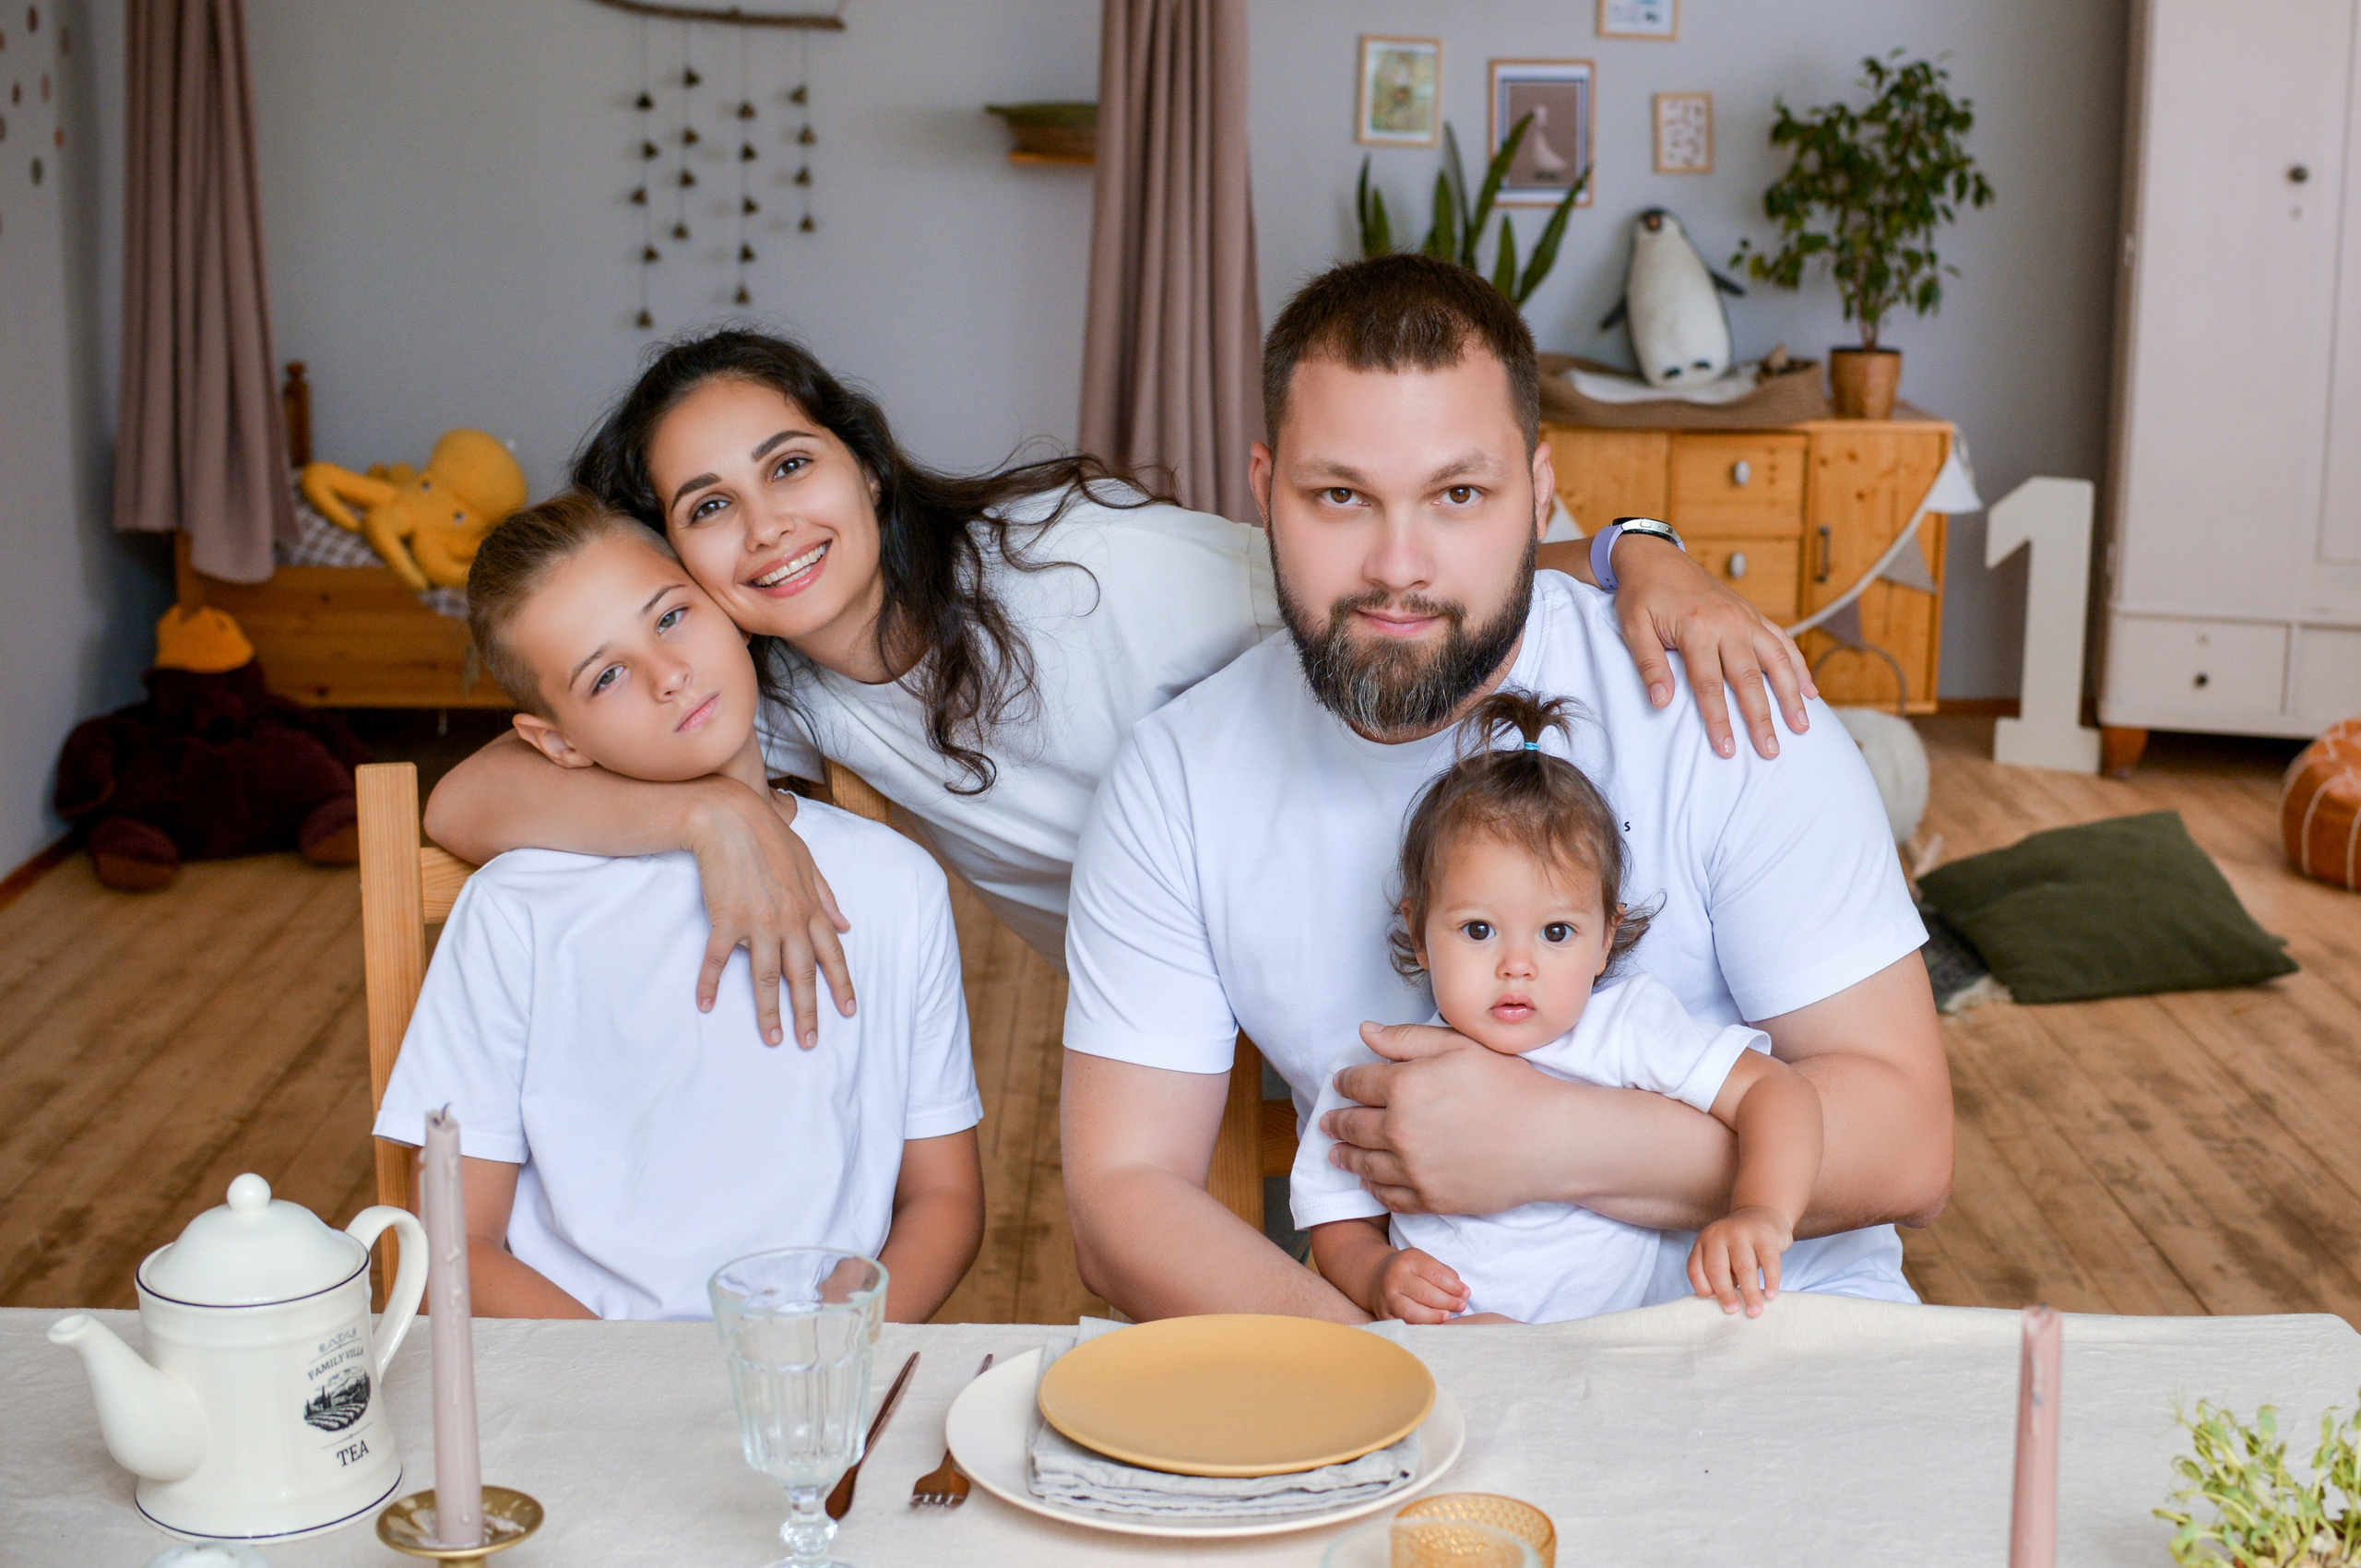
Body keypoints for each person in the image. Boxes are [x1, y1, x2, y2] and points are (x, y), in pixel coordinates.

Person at [421, 331, 1821, 1055]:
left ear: (860, 462)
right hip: (1252, 1002)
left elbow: (1393, 576)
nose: (769, 525)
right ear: (683, 562)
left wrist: (1644, 556)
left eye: (789, 465)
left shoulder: (1091, 574)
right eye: (709, 506)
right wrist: (706, 826)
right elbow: (469, 798)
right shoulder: (766, 690)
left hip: (1472, 879)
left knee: (1794, 814)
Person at [1059, 254, 1952, 1323]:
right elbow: (1123, 1194)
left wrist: (1548, 1142)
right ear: (1264, 491)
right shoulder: (1176, 780)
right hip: (1438, 1363)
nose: (1399, 564)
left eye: (1458, 494)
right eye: (1339, 495)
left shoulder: (1720, 699)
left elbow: (1909, 1146)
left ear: (1538, 493)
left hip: (1778, 1341)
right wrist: (1395, 1383)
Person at [374, 494, 984, 1322]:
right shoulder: (513, 910)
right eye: (608, 675)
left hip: (819, 1384)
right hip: (586, 1389)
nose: (669, 677)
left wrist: (842, 1342)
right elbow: (453, 1240)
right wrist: (634, 1394)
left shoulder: (895, 886)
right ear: (557, 742)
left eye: (670, 618)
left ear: (726, 609)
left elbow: (943, 1198)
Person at [1292, 691, 1828, 1324]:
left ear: (1605, 939)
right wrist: (1378, 1274)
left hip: (1613, 1362)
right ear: (1418, 932)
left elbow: (1778, 1094)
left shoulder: (1627, 1030)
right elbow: (1335, 1218)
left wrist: (1760, 1211)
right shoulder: (1383, 1068)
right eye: (1478, 930)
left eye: (1555, 933)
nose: (1517, 966)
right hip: (1458, 1365)